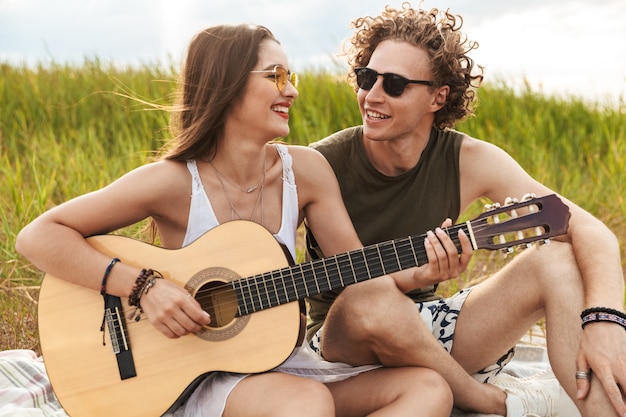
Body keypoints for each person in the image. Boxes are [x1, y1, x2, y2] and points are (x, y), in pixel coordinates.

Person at [15, 24, 454, 417]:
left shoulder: (306, 171)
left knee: (429, 389)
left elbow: (356, 273)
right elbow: (37, 237)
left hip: (278, 366)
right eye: (276, 76)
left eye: (291, 77)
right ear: (226, 83)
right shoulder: (171, 182)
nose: (292, 91)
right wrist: (143, 287)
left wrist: (418, 270)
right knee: (308, 404)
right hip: (190, 376)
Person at [305, 3, 626, 417]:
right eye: (366, 77)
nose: (372, 95)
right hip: (339, 346)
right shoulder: (320, 163)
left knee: (558, 260)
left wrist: (604, 323)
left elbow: (587, 228)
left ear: (438, 97)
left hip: (425, 334)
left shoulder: (467, 160)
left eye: (396, 84)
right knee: (368, 298)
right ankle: (489, 402)